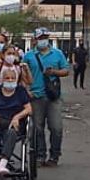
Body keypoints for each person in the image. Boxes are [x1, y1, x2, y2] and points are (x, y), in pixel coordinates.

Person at [23, 27, 70, 167]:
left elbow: (66, 70)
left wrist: (54, 72)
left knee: (56, 127)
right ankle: (39, 155)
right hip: (36, 96)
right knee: (37, 128)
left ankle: (54, 155)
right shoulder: (29, 56)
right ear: (35, 40)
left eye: (45, 37)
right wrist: (26, 90)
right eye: (40, 38)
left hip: (53, 96)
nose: (43, 40)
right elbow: (23, 75)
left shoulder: (58, 54)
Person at [0, 68, 32, 177]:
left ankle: (3, 164)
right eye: (7, 78)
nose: (10, 80)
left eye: (13, 78)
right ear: (2, 80)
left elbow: (29, 109)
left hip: (13, 123)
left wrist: (17, 117)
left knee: (11, 133)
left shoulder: (20, 91)